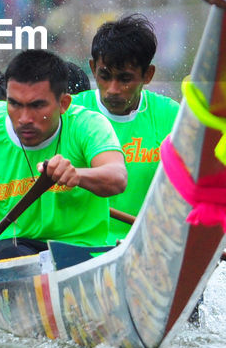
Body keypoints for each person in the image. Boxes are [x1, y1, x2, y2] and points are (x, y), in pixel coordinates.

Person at [0, 49, 127, 294]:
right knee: (12, 252)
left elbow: (116, 178)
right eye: (15, 104)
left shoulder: (87, 125)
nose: (23, 119)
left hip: (80, 250)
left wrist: (77, 175)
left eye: (36, 106)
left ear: (63, 103)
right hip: (9, 251)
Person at [71, 14, 180, 243]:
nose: (113, 89)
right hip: (80, 245)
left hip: (147, 243)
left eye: (125, 79)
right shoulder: (72, 113)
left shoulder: (172, 117)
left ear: (148, 75)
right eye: (105, 76)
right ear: (92, 69)